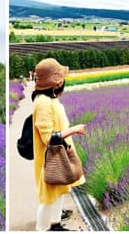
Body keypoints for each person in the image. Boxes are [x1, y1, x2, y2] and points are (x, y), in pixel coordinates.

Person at [31, 58, 86, 232]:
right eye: (60, 77)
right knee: (48, 197)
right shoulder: (43, 103)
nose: (63, 80)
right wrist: (73, 130)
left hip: (59, 153)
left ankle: (55, 226)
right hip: (50, 157)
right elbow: (48, 138)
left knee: (60, 190)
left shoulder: (50, 99)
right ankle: (42, 229)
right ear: (54, 81)